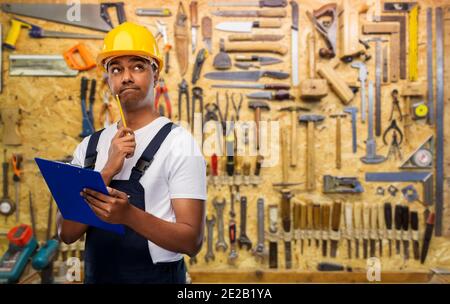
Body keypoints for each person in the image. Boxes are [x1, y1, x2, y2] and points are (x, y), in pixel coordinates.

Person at [56, 22, 207, 284]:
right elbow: (66, 233)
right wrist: (106, 171)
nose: (126, 76)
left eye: (137, 66)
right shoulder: (89, 147)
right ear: (109, 80)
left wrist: (128, 215)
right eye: (116, 69)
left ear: (155, 74)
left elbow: (191, 241)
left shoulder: (179, 143)